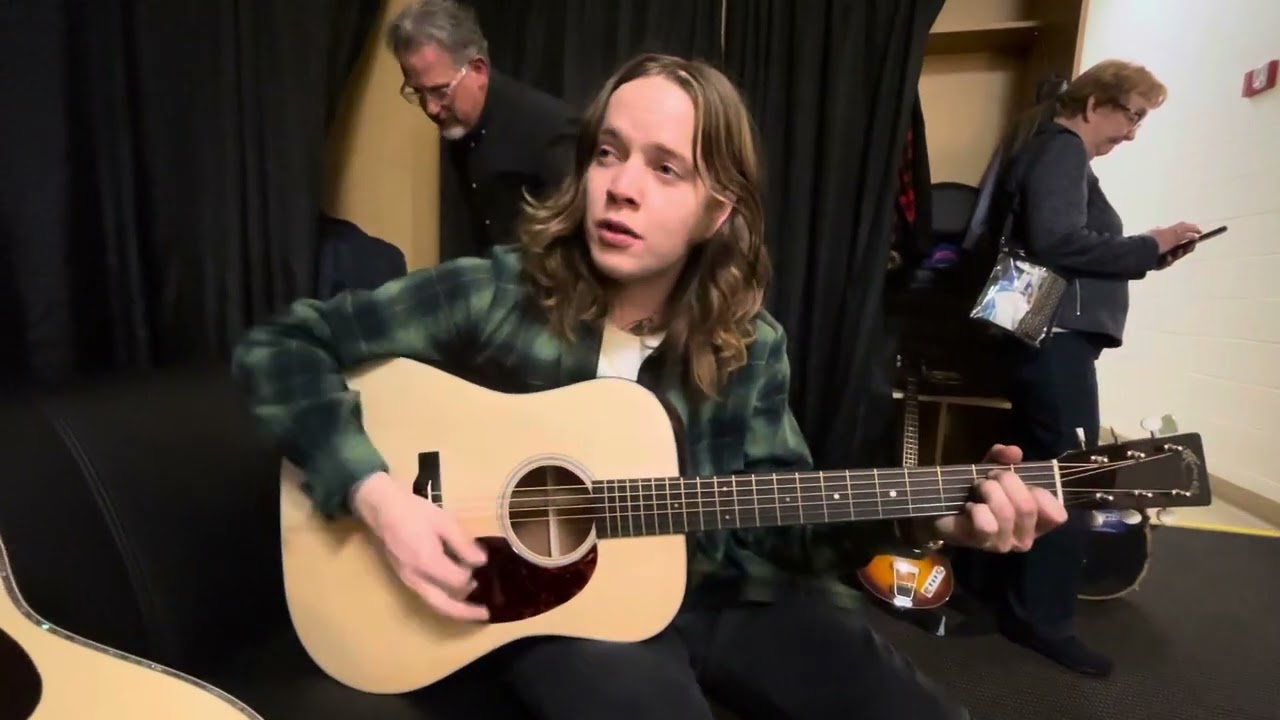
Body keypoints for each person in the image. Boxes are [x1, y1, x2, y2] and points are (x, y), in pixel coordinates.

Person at [231, 52, 1068, 720]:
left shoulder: (751, 345)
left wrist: (930, 516)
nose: (620, 186)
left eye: (667, 168)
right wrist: (381, 498)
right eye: (609, 152)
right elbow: (279, 347)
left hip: (712, 591)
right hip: (554, 604)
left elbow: (784, 529)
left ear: (719, 212)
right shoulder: (500, 290)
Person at [952, 59, 1202, 679]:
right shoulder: (1061, 149)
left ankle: (1002, 596)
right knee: (1071, 475)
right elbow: (1060, 240)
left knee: (1042, 467)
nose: (1134, 133)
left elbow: (1059, 243)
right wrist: (1149, 244)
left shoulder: (1045, 148)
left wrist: (1147, 254)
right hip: (1054, 337)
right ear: (1096, 105)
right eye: (1133, 116)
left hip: (1042, 334)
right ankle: (1043, 618)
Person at [388, 0, 579, 257]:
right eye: (417, 92)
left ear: (478, 69)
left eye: (440, 91)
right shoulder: (460, 127)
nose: (431, 108)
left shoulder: (551, 129)